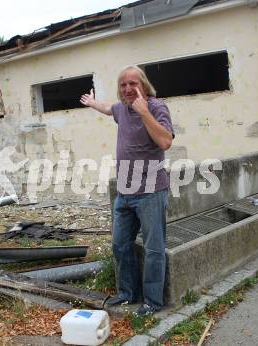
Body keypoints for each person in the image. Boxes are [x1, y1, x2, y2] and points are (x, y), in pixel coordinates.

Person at [80, 66, 174, 316]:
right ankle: (127, 294)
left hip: (151, 191)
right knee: (120, 245)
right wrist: (92, 103)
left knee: (154, 249)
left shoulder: (156, 107)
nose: (128, 88)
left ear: (143, 85)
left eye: (133, 83)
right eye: (123, 85)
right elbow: (109, 108)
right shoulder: (121, 109)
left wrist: (144, 113)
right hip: (125, 192)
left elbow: (165, 141)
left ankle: (153, 302)